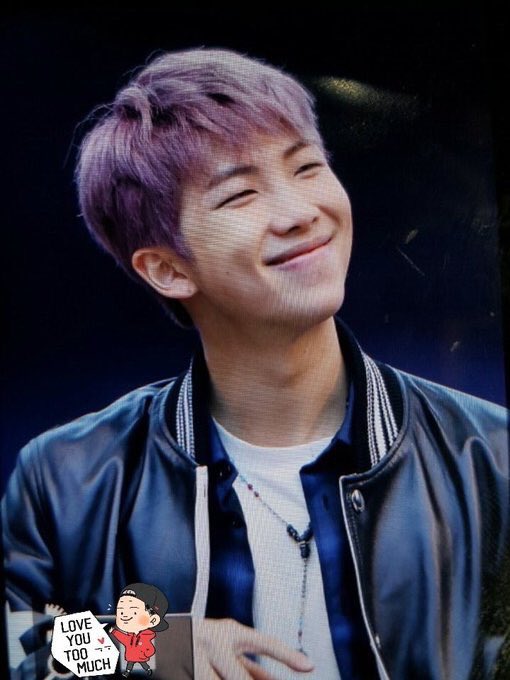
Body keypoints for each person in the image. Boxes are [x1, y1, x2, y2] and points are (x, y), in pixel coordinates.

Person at [1, 46, 509, 679]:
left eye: (307, 167)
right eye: (240, 195)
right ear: (167, 268)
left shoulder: (490, 456)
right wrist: (160, 648)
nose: (301, 213)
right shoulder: (66, 476)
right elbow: (16, 646)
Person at [110, 583, 169, 677]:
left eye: (134, 612)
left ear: (153, 620)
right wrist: (114, 632)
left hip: (142, 658)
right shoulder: (129, 636)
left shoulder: (147, 638)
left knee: (143, 664)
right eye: (121, 611)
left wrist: (144, 654)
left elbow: (151, 650)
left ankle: (147, 670)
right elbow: (123, 638)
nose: (125, 616)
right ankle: (128, 672)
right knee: (130, 664)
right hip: (130, 657)